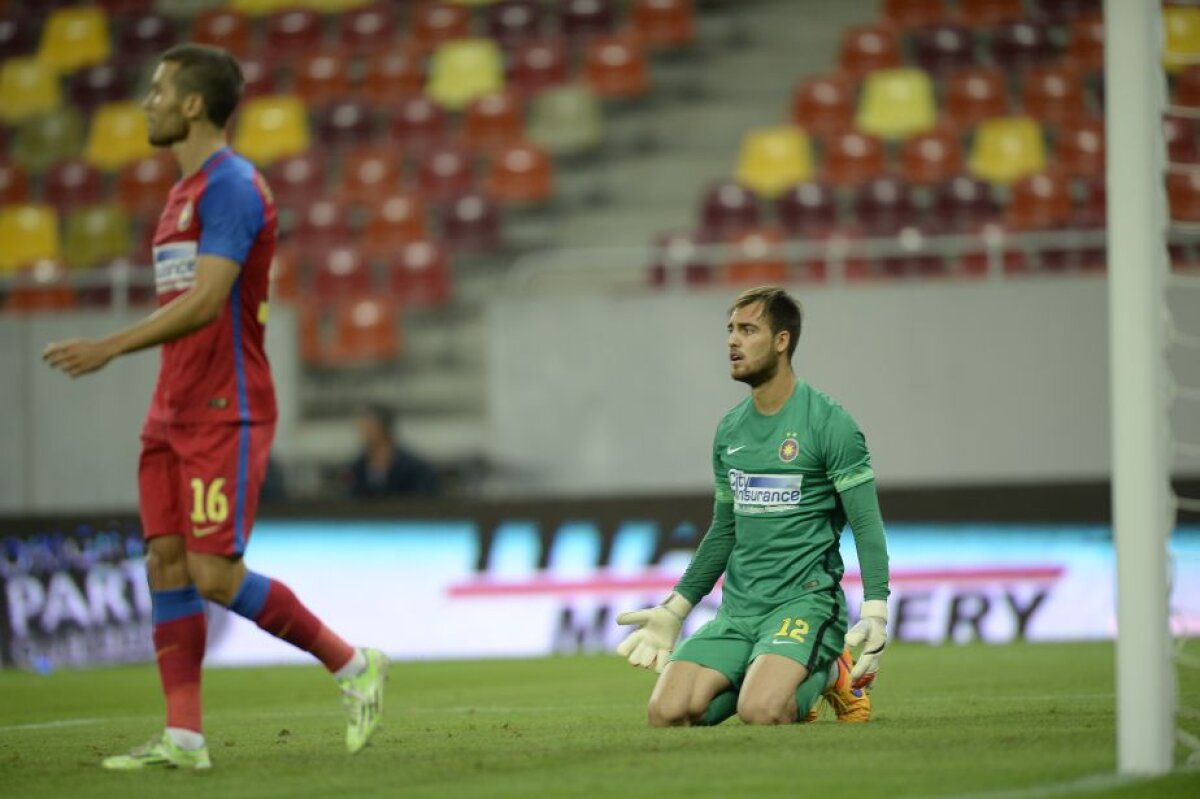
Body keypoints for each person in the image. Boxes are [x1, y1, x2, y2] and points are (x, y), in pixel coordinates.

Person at [43, 45, 386, 770]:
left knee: (214, 574)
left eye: (160, 89)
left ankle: (353, 664)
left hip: (224, 407)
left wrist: (110, 346)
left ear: (193, 105)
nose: (147, 102)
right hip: (170, 408)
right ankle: (186, 738)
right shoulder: (180, 194)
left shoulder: (231, 187)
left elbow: (205, 303)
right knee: (165, 562)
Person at [614, 286, 890, 727]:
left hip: (803, 604)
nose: (732, 341)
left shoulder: (829, 423)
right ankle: (767, 669)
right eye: (730, 330)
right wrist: (675, 609)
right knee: (668, 714)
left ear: (782, 341)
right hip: (739, 610)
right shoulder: (730, 431)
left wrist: (875, 612)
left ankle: (826, 671)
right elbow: (724, 531)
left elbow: (866, 523)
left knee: (760, 711)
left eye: (747, 330)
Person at [347, 404, 440, 499]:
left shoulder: (415, 468)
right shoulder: (358, 468)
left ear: (383, 427)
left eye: (368, 425)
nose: (363, 431)